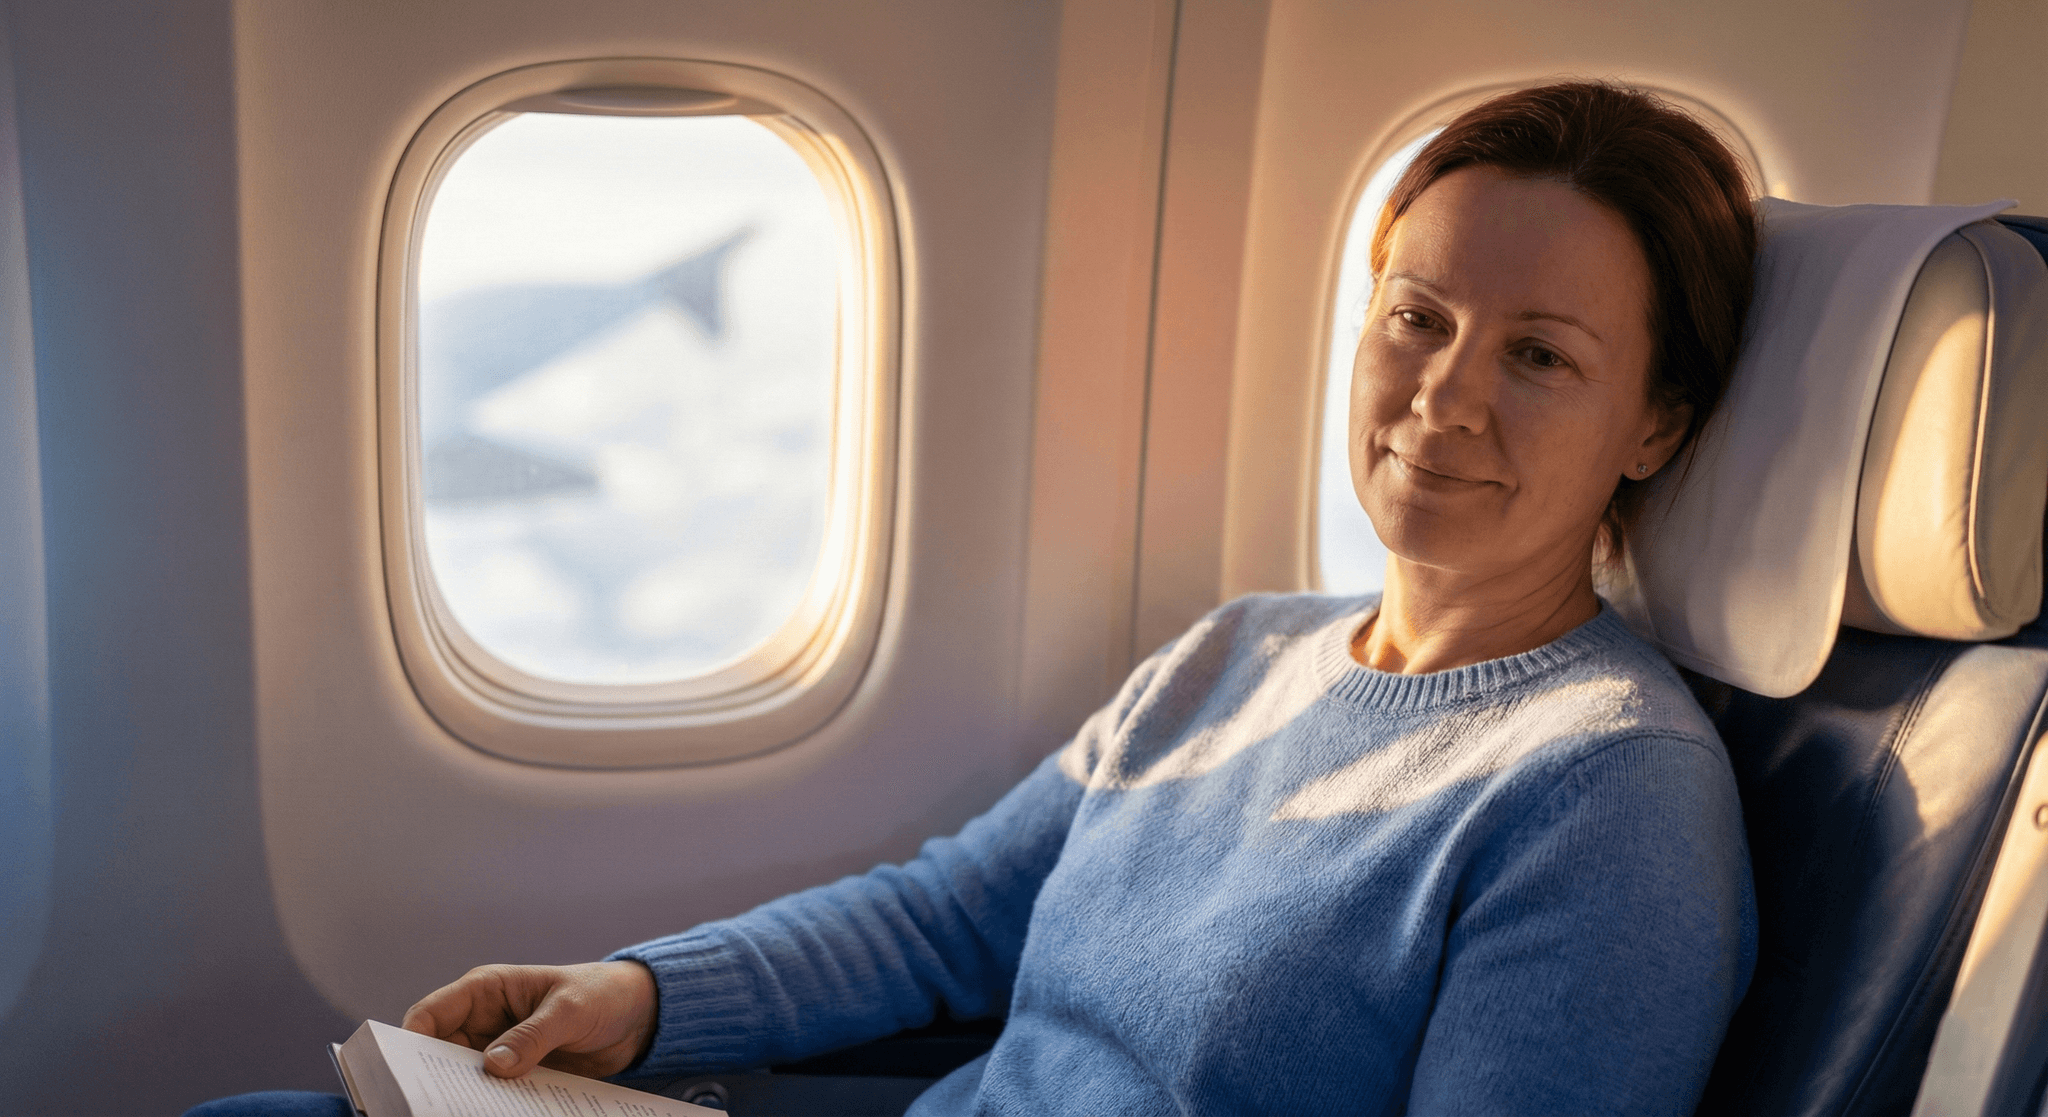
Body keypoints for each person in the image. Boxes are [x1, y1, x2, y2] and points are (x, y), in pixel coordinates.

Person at [190, 79, 1759, 1116]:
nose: (1444, 396)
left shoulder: (1608, 797)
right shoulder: (1242, 652)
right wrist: (640, 997)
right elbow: (950, 919)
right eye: (1418, 316)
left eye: (1538, 355)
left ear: (1656, 426)